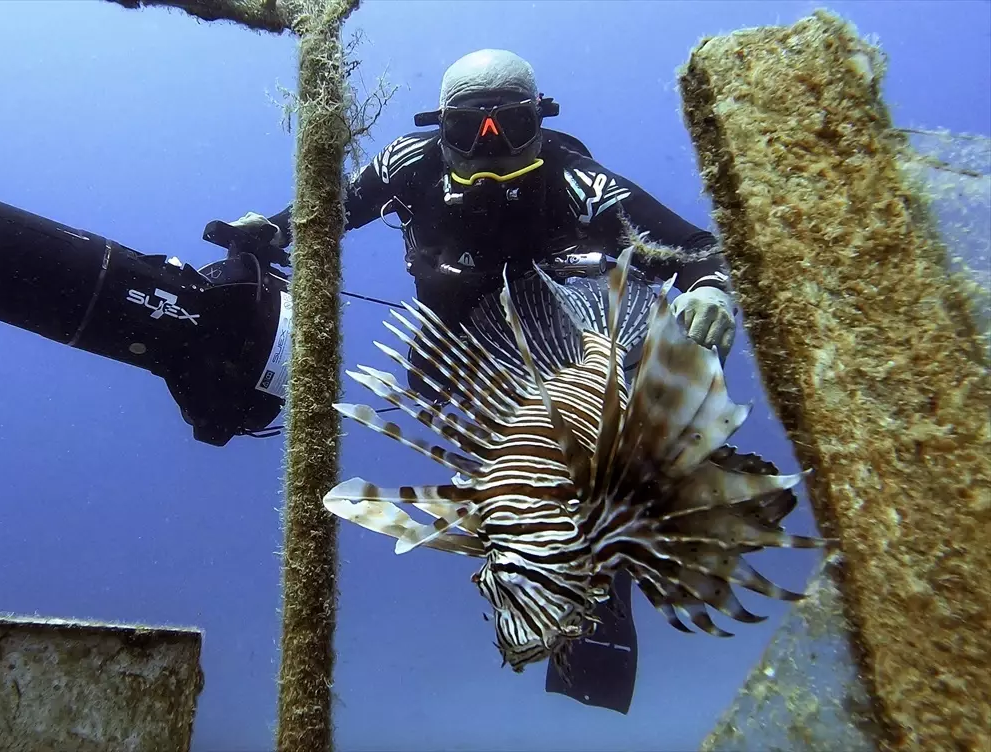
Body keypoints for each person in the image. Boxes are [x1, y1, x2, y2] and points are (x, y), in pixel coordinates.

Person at [226, 48, 740, 714]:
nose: (490, 147)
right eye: (470, 128)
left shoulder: (575, 180)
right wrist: (271, 227)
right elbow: (324, 212)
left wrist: (711, 287)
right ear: (442, 127)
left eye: (513, 125)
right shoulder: (407, 166)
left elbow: (695, 247)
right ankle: (562, 562)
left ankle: (591, 565)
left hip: (574, 343)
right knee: (524, 483)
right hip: (464, 353)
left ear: (540, 119)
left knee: (597, 470)